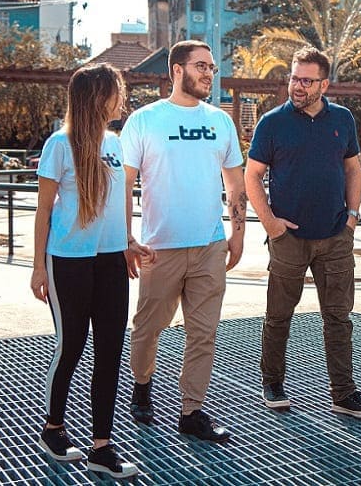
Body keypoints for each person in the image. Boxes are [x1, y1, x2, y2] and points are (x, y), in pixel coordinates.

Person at [244, 46, 361, 419]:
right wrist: (271, 224)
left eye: (306, 80)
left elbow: (353, 169)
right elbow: (251, 175)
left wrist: (352, 218)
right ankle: (272, 382)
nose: (297, 86)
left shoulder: (342, 119)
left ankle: (344, 393)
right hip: (288, 239)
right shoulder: (272, 123)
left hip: (336, 236)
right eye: (293, 78)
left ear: (324, 83)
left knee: (338, 318)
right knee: (278, 316)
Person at [121, 40, 247, 443]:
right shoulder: (144, 120)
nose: (209, 73)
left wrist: (238, 234)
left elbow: (235, 184)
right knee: (148, 327)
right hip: (159, 247)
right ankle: (142, 388)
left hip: (210, 245)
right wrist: (126, 237)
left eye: (211, 66)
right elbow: (123, 183)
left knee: (203, 332)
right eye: (200, 66)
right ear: (176, 70)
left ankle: (191, 411)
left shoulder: (221, 122)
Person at [31, 64, 147, 479]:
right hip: (68, 261)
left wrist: (129, 243)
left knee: (111, 351)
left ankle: (102, 446)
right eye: (117, 91)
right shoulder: (59, 145)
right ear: (98, 97)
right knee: (72, 346)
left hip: (112, 260)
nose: (122, 98)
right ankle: (53, 428)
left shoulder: (115, 143)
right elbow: (44, 210)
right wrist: (38, 267)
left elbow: (118, 203)